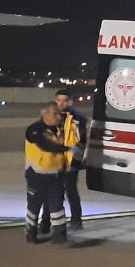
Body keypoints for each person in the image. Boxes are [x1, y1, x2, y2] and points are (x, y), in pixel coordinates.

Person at [24, 101, 82, 245]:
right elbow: (45, 146)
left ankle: (60, 236)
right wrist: (66, 149)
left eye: (59, 113)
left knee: (57, 207)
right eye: (55, 113)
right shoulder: (34, 130)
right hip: (37, 174)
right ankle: (31, 233)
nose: (58, 116)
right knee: (34, 206)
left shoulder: (60, 129)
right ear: (45, 115)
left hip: (55, 174)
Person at [48, 89, 88, 231]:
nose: (61, 103)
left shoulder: (78, 118)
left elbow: (82, 141)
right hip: (56, 160)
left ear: (70, 101)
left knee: (71, 192)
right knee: (55, 192)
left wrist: (74, 159)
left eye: (65, 100)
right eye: (58, 100)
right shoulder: (52, 116)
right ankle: (57, 222)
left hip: (71, 161)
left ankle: (76, 221)